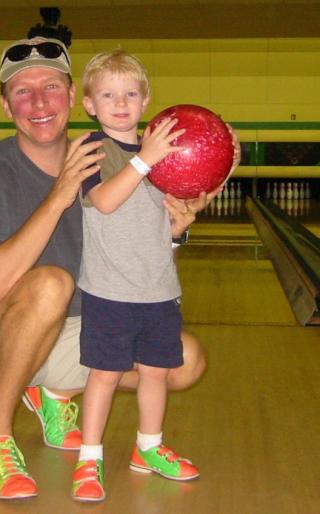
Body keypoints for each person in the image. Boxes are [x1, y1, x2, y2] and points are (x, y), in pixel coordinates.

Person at [0, 37, 214, 502]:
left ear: (72, 98)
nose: (39, 102)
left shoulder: (109, 162)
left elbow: (135, 269)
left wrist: (173, 233)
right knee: (51, 283)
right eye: (22, 92)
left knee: (183, 360)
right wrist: (60, 194)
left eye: (50, 87)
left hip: (77, 328)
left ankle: (53, 390)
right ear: (6, 107)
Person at [71, 49, 206, 502]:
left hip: (159, 292)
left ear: (146, 100)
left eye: (130, 93)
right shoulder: (93, 148)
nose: (121, 102)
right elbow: (106, 202)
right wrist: (145, 159)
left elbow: (155, 227)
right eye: (108, 94)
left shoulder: (162, 157)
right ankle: (89, 459)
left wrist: (179, 226)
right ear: (90, 104)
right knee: (104, 375)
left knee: (155, 373)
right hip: (109, 293)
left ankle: (148, 447)